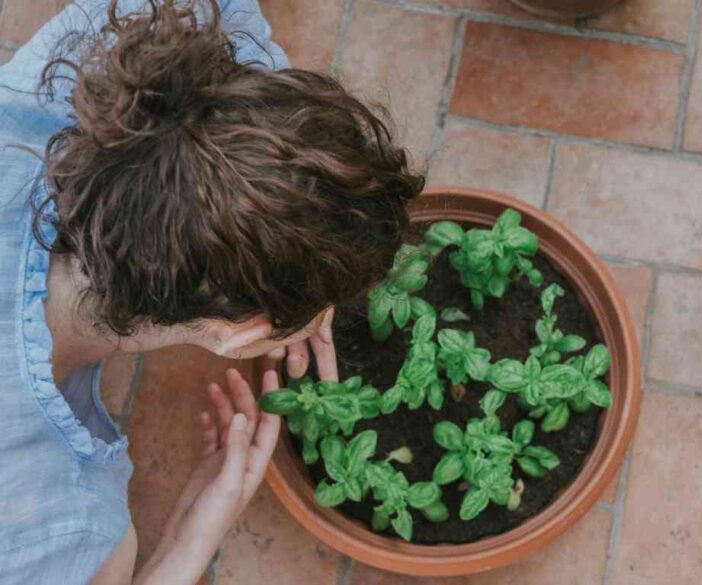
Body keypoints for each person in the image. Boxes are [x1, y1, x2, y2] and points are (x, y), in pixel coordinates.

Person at [0, 1, 423, 583]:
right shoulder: (53, 523)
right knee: (113, 554)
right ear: (242, 332)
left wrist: (279, 215)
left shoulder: (64, 77)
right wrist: (184, 544)